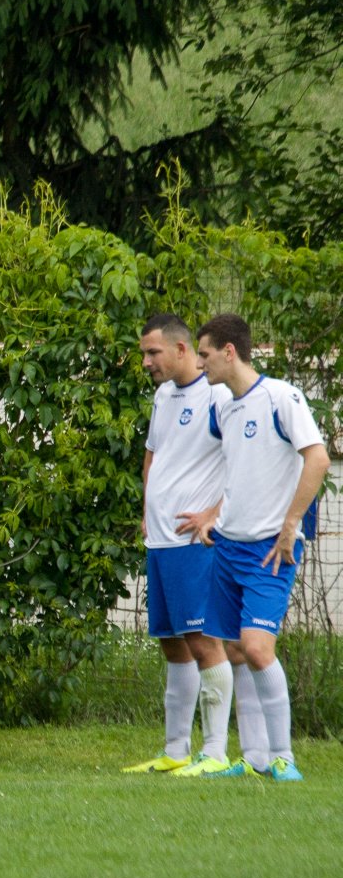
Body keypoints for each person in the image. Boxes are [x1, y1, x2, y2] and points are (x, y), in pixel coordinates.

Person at [188, 313, 328, 782]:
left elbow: (318, 458)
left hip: (270, 549)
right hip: (229, 547)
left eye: (205, 354)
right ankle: (254, 758)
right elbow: (241, 474)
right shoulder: (224, 409)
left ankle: (284, 756)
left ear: (229, 352)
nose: (200, 364)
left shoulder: (281, 397)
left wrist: (291, 524)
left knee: (258, 648)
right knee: (234, 650)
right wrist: (215, 514)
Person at [123, 314, 239, 776]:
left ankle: (215, 752)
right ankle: (176, 750)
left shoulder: (218, 396)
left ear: (181, 349)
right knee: (172, 645)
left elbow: (246, 462)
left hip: (195, 543)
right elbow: (153, 456)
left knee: (204, 642)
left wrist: (214, 513)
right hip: (161, 540)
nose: (146, 362)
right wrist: (148, 508)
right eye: (144, 354)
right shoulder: (163, 395)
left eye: (153, 353)